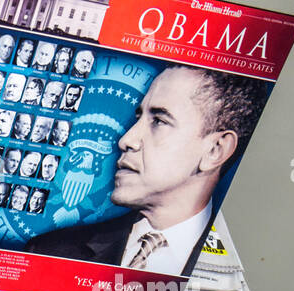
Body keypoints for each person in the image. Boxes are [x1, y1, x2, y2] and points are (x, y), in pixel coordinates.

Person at [25, 65, 265, 275]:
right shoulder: (51, 253)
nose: (126, 140)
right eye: (139, 117)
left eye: (159, 121)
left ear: (215, 150)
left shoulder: (243, 270)